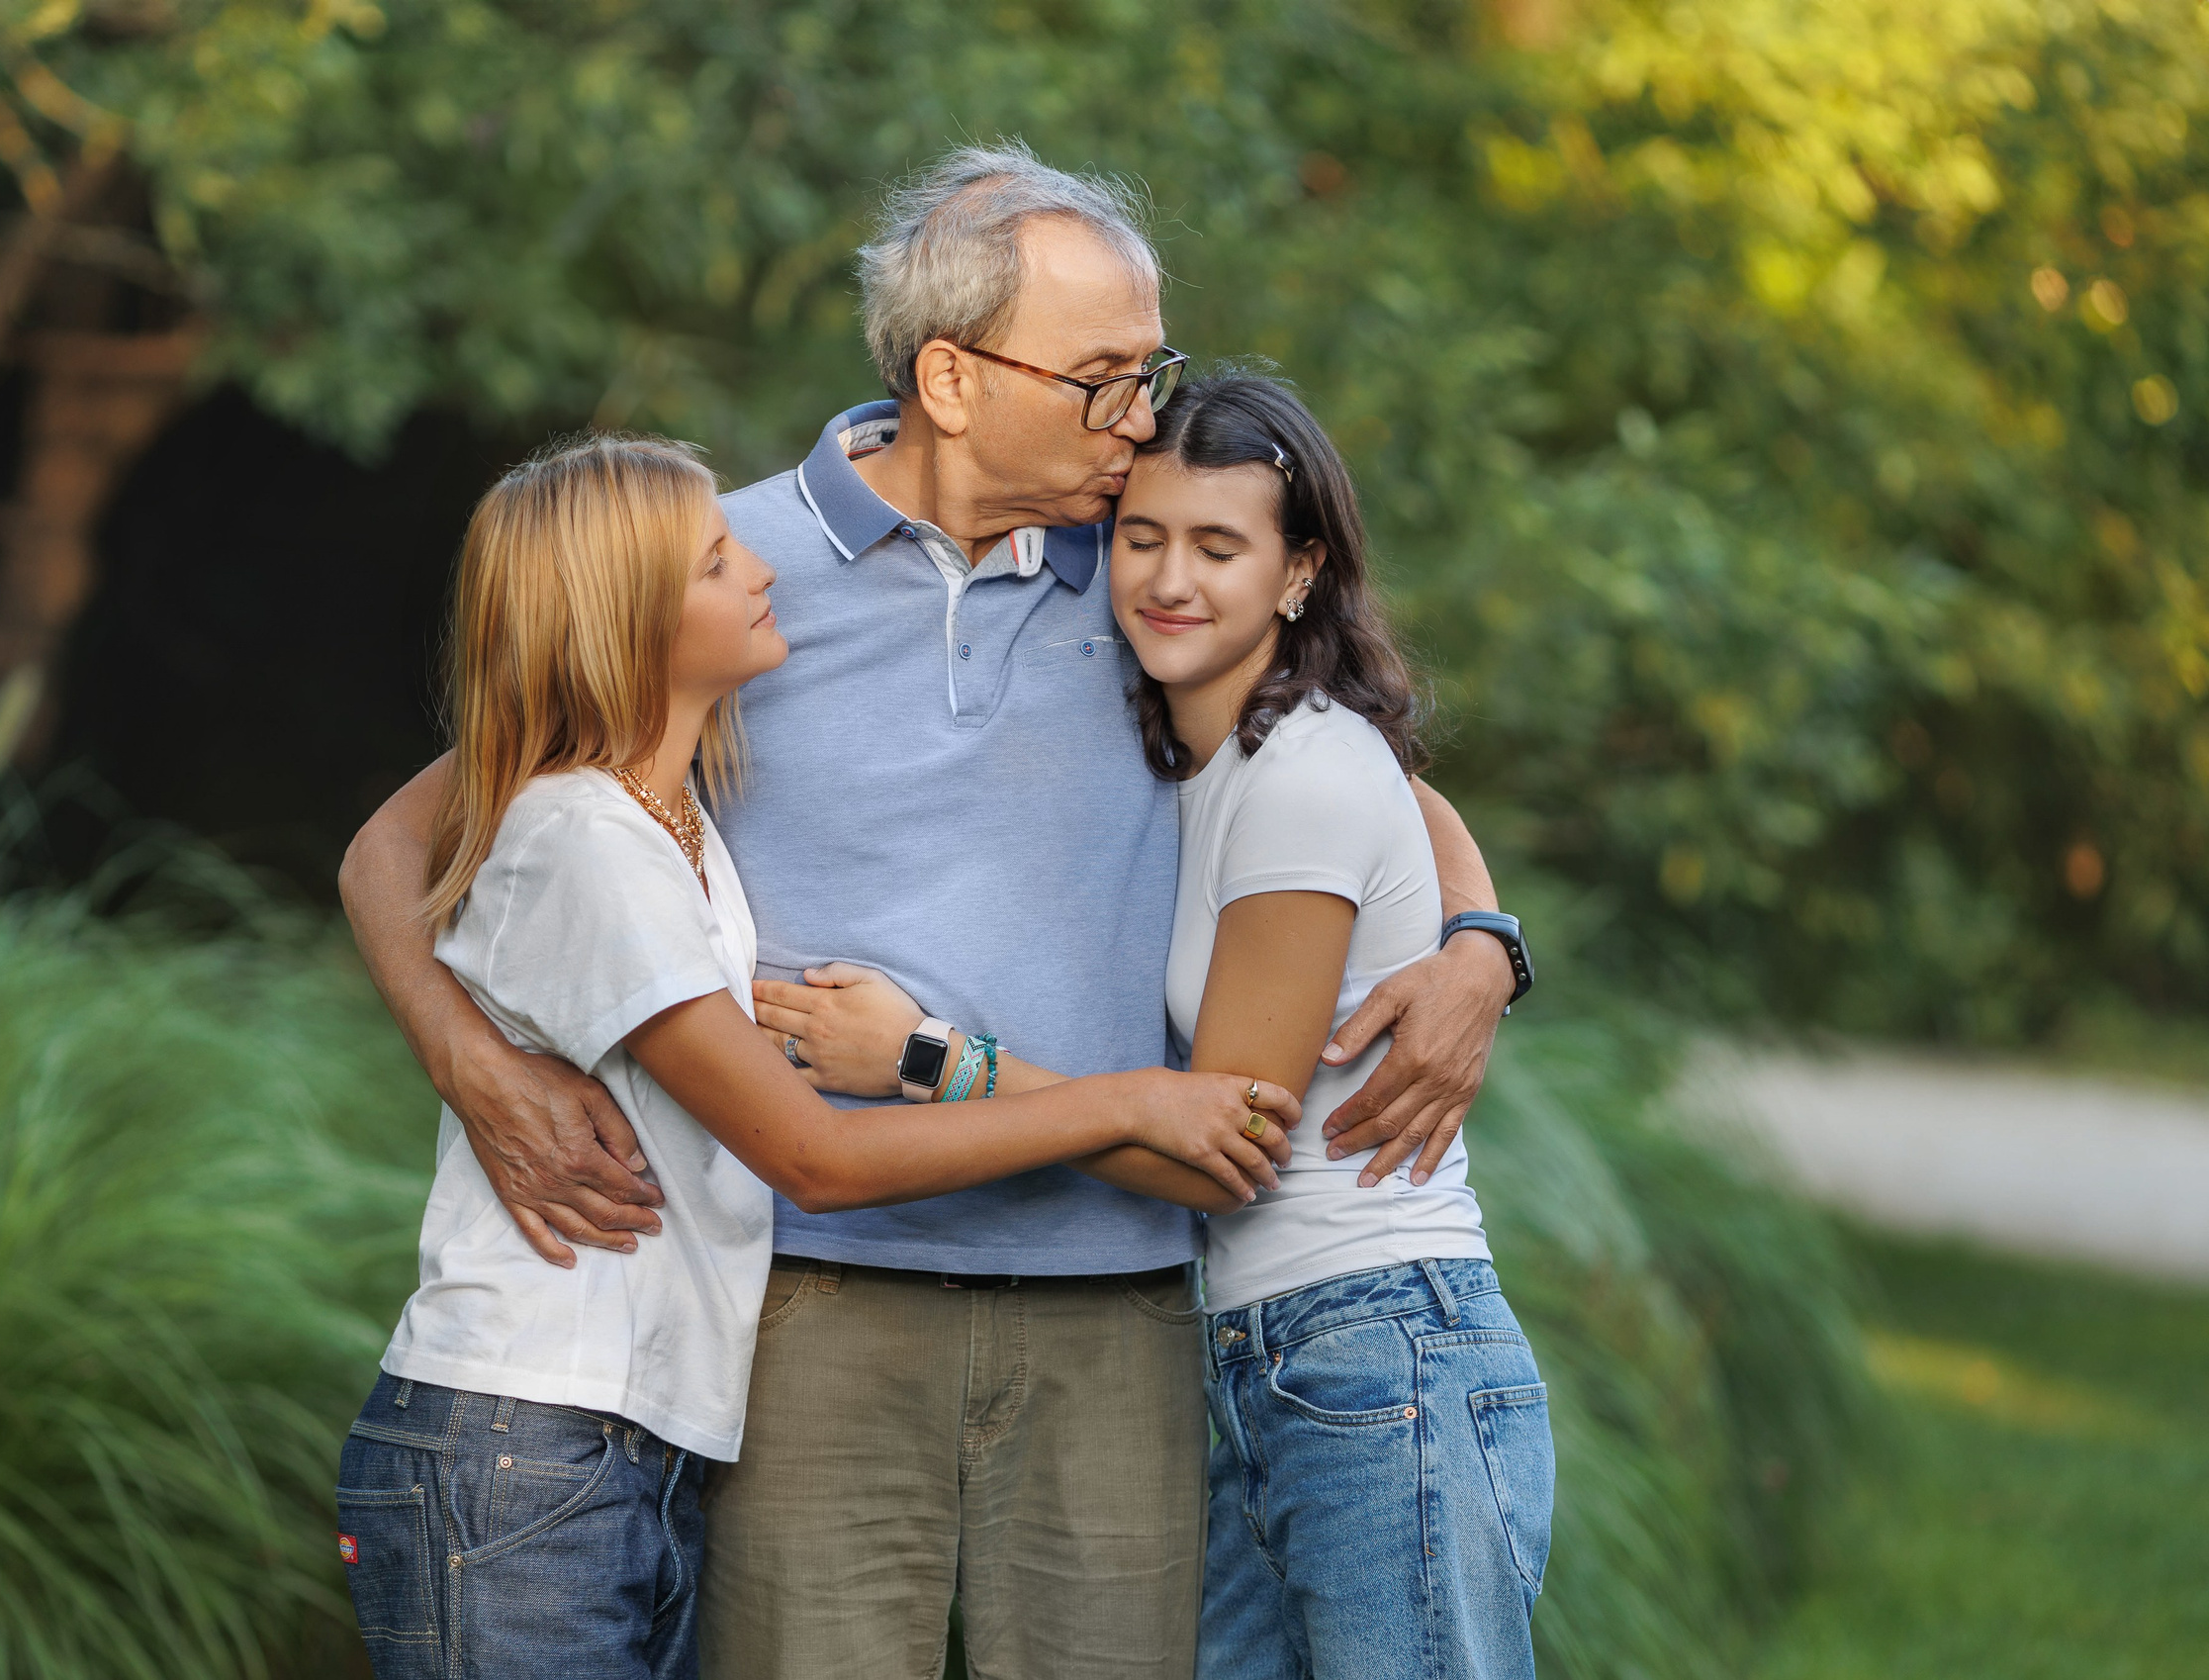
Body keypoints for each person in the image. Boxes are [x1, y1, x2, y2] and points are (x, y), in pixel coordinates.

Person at [338, 143, 1528, 1680]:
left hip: (1118, 1307)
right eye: (1104, 377)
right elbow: (399, 838)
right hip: (817, 1314)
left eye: (1149, 372)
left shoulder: (1147, 563)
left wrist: (1481, 943)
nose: (1146, 418)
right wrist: (470, 1059)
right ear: (955, 380)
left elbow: (1353, 759)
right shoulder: (723, 574)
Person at [332, 432, 1301, 1680]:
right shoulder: (585, 836)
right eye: (718, 563)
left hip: (631, 1440)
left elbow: (1331, 730)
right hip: (529, 1433)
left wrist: (1477, 934)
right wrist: (1126, 1098)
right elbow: (813, 1155)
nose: (762, 569)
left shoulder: (671, 823)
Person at [773, 373, 1553, 1679]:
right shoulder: (1219, 743)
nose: (1167, 579)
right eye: (1143, 537)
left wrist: (930, 1059)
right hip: (1269, 1355)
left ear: (1300, 570)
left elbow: (1220, 1148)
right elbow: (1409, 804)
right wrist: (1484, 932)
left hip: (1375, 1351)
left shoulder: (1298, 767)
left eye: (1219, 547)